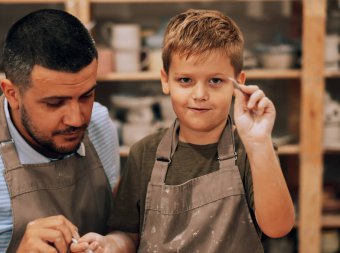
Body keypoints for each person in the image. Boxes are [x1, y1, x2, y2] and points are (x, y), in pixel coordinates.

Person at [71, 9, 295, 253]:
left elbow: (278, 227)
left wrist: (259, 142)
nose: (200, 95)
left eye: (215, 81)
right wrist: (109, 244)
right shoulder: (144, 154)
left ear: (238, 84)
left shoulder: (251, 151)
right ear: (166, 81)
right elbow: (128, 234)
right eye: (186, 80)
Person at [0, 9, 120, 253]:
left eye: (86, 95)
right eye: (55, 103)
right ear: (12, 94)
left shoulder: (99, 123)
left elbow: (116, 226)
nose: (77, 119)